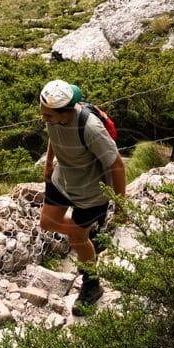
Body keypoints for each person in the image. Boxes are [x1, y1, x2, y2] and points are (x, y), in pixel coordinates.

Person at [38, 78, 126, 315]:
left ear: (65, 113)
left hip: (91, 192)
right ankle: (89, 237)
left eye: (48, 116)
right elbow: (53, 136)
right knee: (47, 221)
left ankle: (92, 284)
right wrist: (48, 164)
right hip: (63, 178)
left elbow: (116, 165)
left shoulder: (90, 128)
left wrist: (121, 206)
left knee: (77, 239)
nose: (43, 119)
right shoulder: (54, 116)